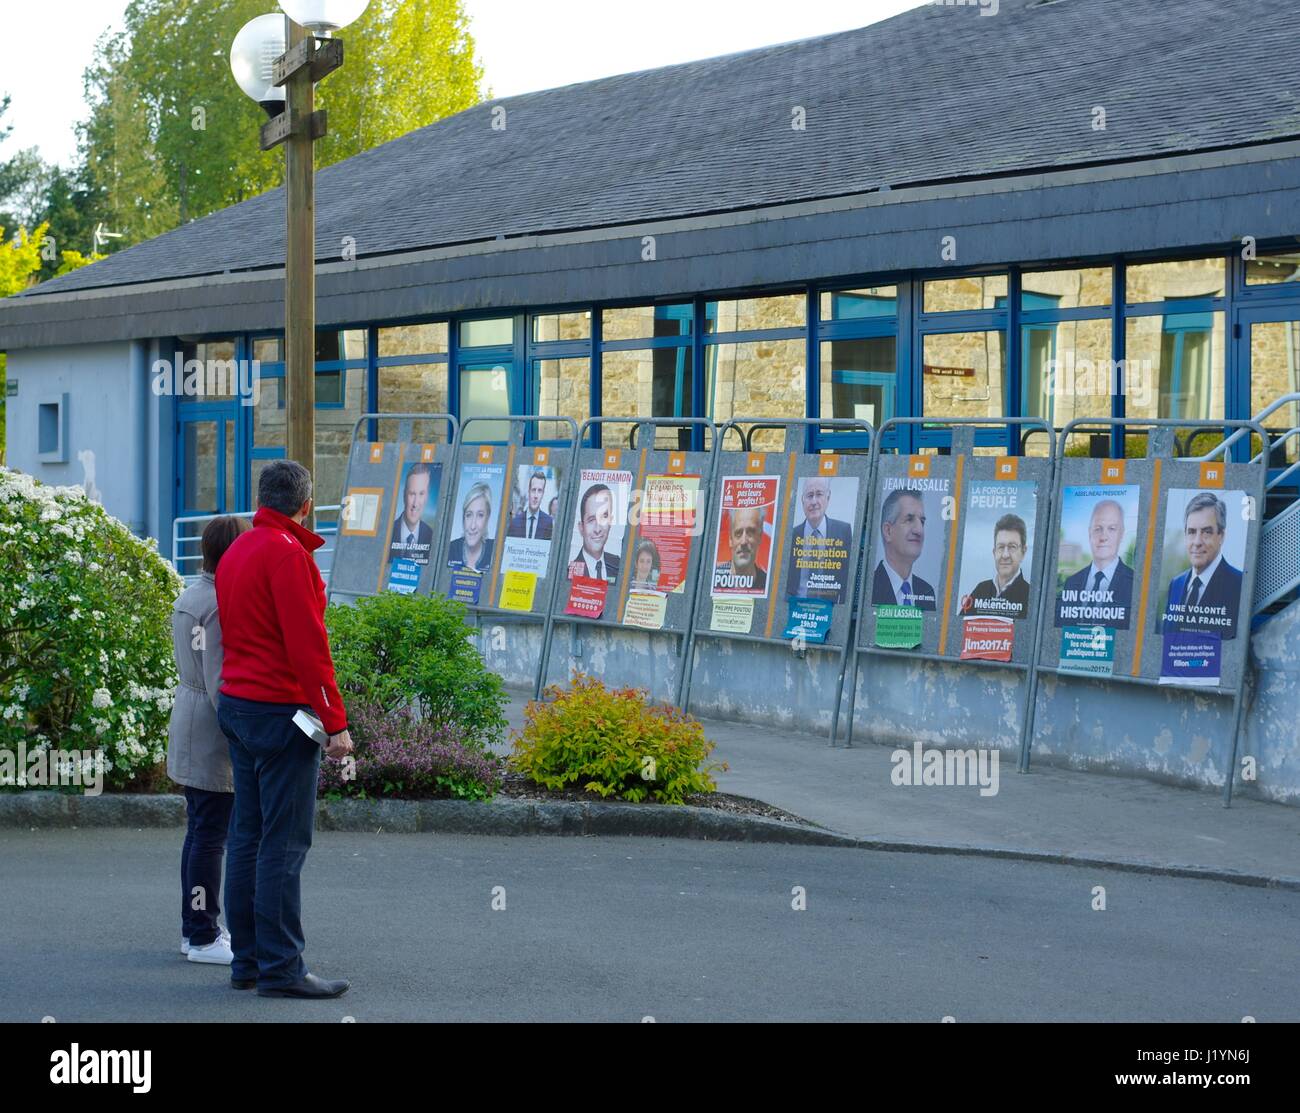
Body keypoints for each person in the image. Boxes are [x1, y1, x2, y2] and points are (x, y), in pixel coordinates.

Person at [215, 459, 355, 1000]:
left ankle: (247, 961)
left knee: (246, 836)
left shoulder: (238, 550)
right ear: (305, 504)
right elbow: (308, 647)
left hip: (238, 706)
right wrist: (336, 722)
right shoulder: (289, 555)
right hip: (280, 713)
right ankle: (282, 969)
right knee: (285, 842)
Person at [168, 515, 249, 967]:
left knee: (199, 830)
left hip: (187, 712)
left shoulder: (191, 594)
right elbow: (220, 682)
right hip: (210, 729)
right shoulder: (219, 603)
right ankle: (202, 934)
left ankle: (194, 929)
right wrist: (244, 732)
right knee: (211, 835)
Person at [1163, 492, 1242, 639]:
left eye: (1206, 532)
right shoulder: (1176, 584)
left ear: (1221, 536)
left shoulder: (1239, 585)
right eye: (1191, 532)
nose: (1197, 542)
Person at [1058, 497, 1135, 629]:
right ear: (1089, 533)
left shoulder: (1134, 583)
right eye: (1098, 529)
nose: (1103, 537)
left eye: (1111, 528)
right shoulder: (1071, 583)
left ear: (1121, 534)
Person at [785, 477, 854, 602]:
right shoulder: (791, 534)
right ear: (802, 500)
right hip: (795, 607)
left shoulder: (844, 531)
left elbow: (847, 579)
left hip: (828, 609)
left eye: (819, 494)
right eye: (809, 495)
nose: (814, 501)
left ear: (828, 497)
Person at [871, 488, 937, 610]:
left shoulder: (927, 591)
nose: (919, 530)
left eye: (922, 522)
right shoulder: (869, 587)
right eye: (909, 519)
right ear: (888, 531)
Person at [964, 513, 1031, 619]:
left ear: (1023, 552)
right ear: (994, 552)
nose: (1005, 555)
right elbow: (959, 628)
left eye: (1012, 547)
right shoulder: (980, 590)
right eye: (1001, 547)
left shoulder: (1029, 596)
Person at [568, 483, 621, 581]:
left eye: (603, 517)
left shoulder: (619, 565)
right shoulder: (569, 572)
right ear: (581, 527)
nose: (597, 529)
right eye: (591, 520)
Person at [714, 505, 768, 593]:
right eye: (738, 533)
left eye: (750, 532)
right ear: (730, 539)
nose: (743, 542)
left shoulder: (767, 585)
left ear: (760, 537)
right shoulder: (713, 579)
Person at [388, 463, 435, 562]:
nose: (415, 503)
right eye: (412, 494)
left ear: (426, 497)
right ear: (404, 495)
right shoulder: (388, 532)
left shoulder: (431, 536)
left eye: (421, 494)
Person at [447, 481, 496, 573]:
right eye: (469, 515)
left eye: (480, 515)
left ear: (487, 518)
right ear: (463, 518)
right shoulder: (450, 549)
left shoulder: (494, 550)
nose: (473, 526)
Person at [507, 469, 554, 540]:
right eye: (533, 490)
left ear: (543, 494)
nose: (536, 495)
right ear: (528, 491)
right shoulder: (515, 522)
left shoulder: (548, 522)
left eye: (539, 491)